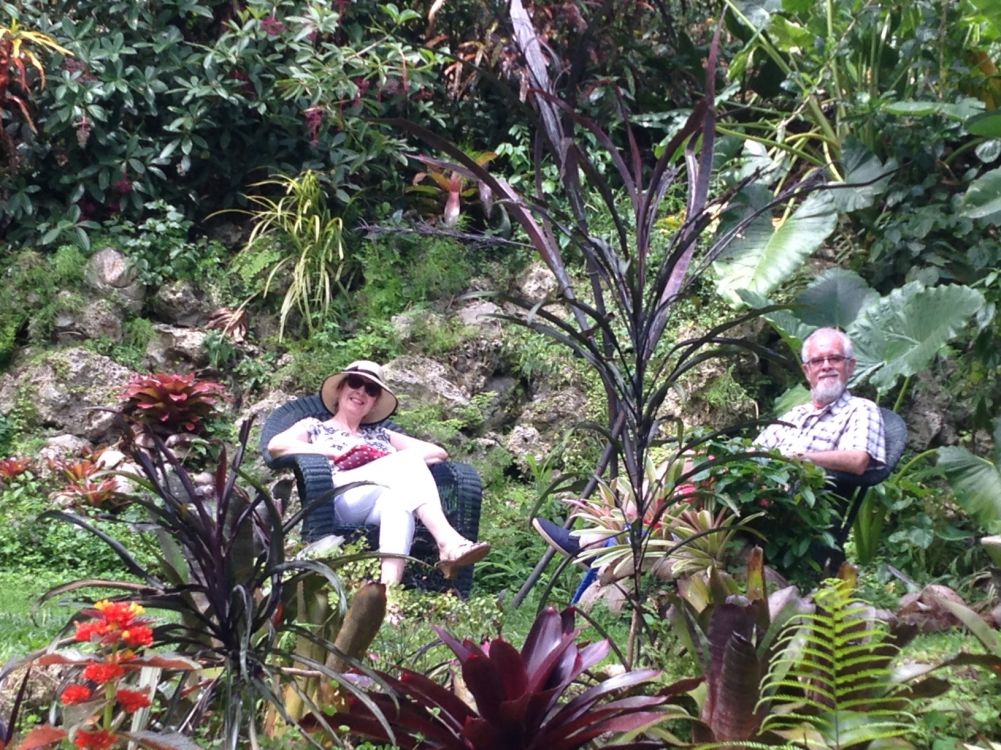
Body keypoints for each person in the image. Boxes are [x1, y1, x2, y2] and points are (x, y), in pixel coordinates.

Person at [534, 327, 886, 559]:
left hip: (792, 496)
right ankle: (608, 536)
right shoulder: (794, 415)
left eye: (834, 359)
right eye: (817, 361)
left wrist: (800, 457)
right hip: (755, 482)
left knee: (691, 473)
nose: (826, 366)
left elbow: (858, 460)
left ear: (850, 366)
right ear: (807, 370)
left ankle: (590, 542)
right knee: (688, 461)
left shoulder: (860, 410)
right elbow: (752, 452)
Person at [267, 360, 489, 586]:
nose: (361, 391)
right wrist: (326, 450)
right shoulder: (316, 426)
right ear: (341, 389)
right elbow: (276, 445)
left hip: (376, 499)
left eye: (370, 390)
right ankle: (446, 540)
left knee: (399, 501)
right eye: (355, 383)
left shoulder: (381, 434)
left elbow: (437, 453)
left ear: (374, 403)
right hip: (338, 496)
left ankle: (387, 594)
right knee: (407, 462)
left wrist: (382, 461)